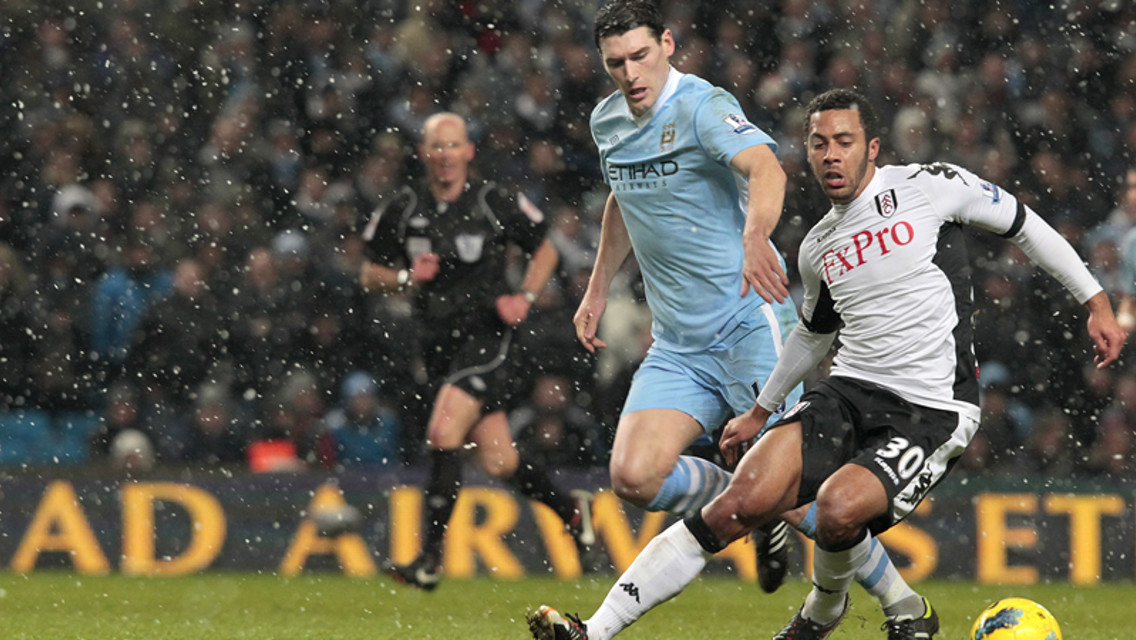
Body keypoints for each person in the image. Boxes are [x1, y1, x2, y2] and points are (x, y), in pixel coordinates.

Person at [529, 87, 1127, 640]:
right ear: (808, 154)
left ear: (871, 148)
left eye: (844, 142)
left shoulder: (928, 186)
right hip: (846, 393)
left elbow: (1026, 226)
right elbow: (814, 336)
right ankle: (593, 631)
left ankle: (824, 609)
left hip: (931, 407)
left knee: (839, 512)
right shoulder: (816, 246)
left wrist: (1094, 299)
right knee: (737, 502)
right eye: (819, 144)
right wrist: (760, 410)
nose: (830, 155)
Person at [533, 1, 923, 632]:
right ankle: (745, 500)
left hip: (749, 327)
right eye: (616, 63)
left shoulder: (701, 106)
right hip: (679, 344)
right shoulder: (607, 121)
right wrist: (598, 286)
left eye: (640, 55)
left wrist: (753, 238)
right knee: (633, 476)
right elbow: (621, 197)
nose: (631, 73)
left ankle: (903, 604)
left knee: (804, 500)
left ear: (666, 44)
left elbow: (765, 167)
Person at [359, 112, 594, 591]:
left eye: (453, 146)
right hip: (437, 346)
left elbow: (545, 246)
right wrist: (407, 277)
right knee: (499, 461)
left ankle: (429, 560)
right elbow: (369, 273)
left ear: (468, 151)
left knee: (443, 433)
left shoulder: (493, 200)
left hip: (487, 339)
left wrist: (524, 297)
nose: (445, 155)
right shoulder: (404, 206)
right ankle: (570, 507)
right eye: (436, 147)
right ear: (425, 153)